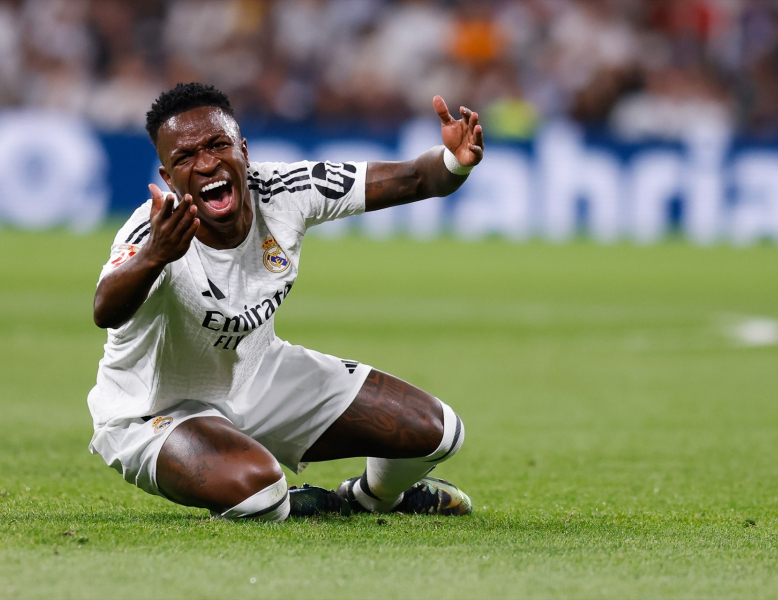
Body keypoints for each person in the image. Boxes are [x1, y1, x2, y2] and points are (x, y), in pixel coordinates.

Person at [88, 82, 484, 522]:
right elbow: (105, 309)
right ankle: (277, 493)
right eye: (184, 157)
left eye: (218, 145)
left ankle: (373, 498)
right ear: (168, 176)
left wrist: (454, 161)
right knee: (261, 494)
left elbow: (414, 177)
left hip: (259, 378)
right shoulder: (154, 231)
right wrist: (155, 256)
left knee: (439, 431)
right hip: (154, 411)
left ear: (243, 149)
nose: (206, 164)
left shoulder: (284, 190)